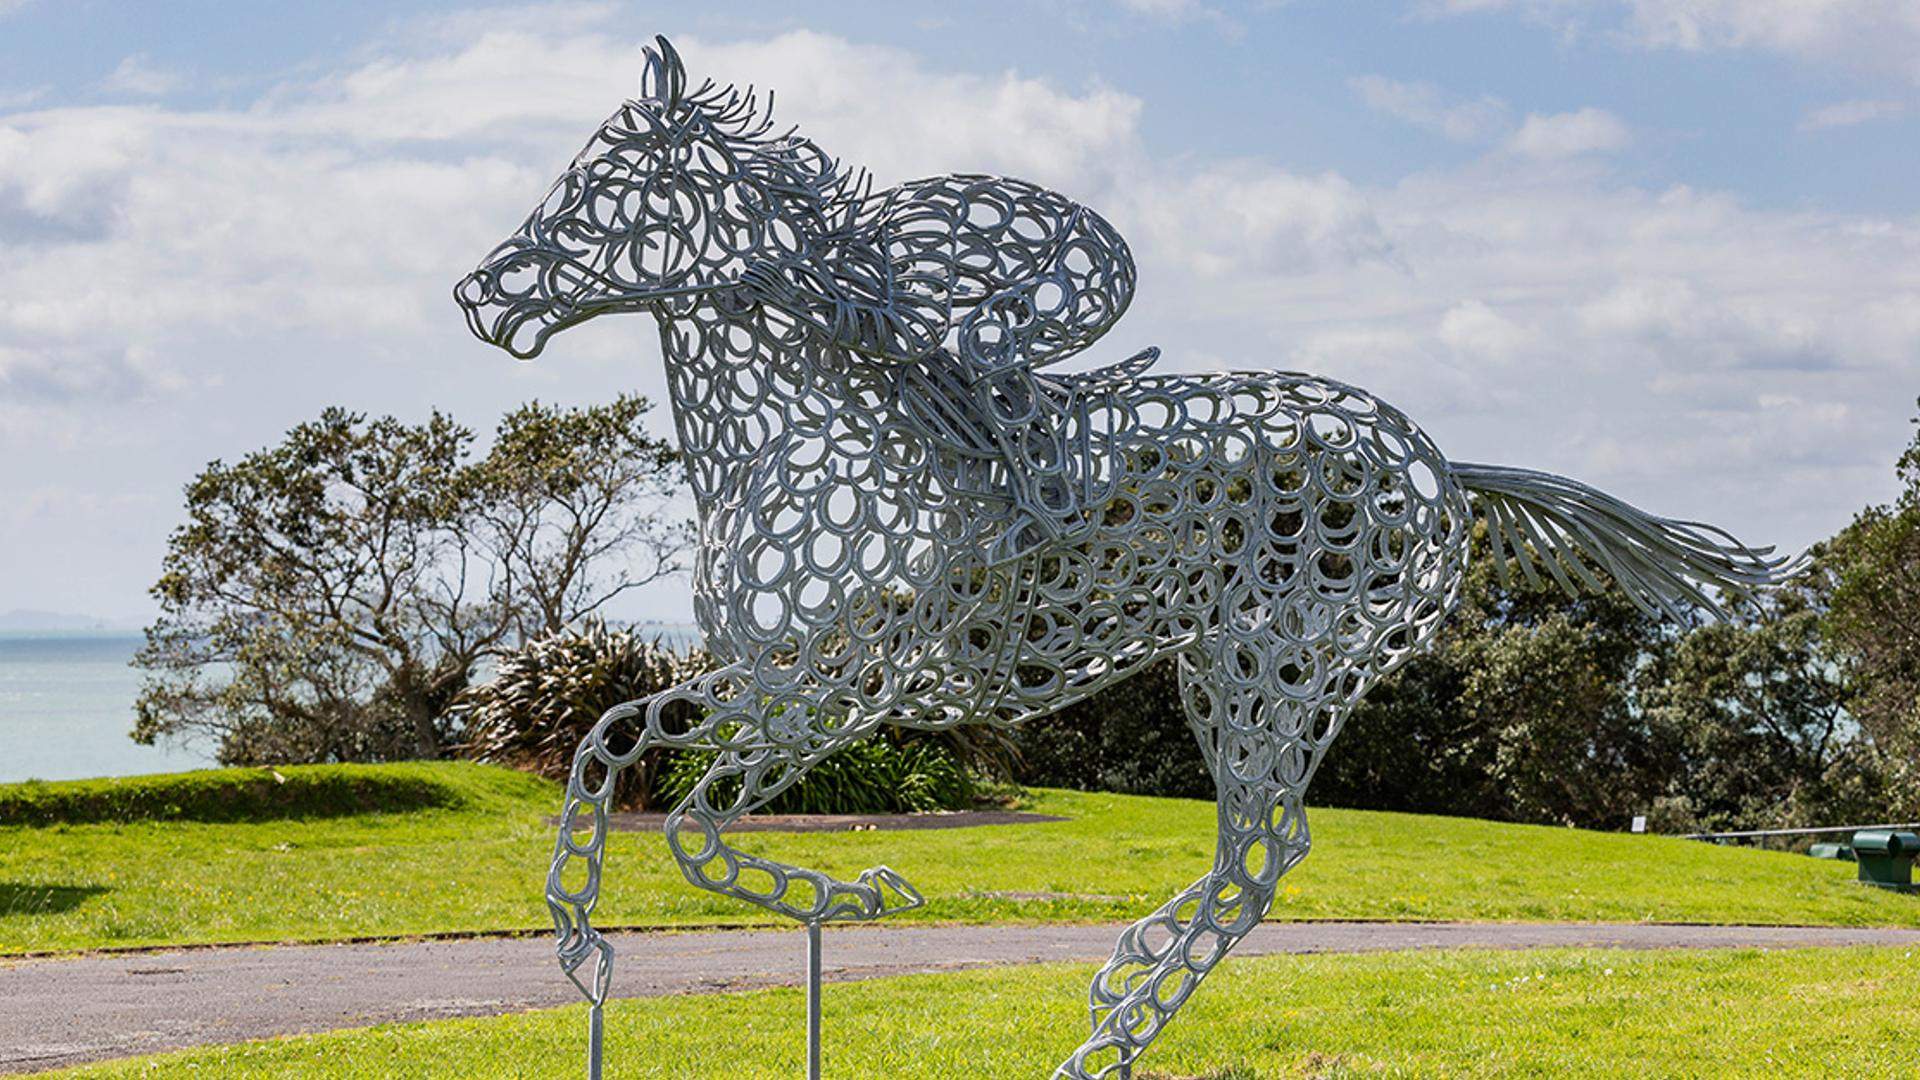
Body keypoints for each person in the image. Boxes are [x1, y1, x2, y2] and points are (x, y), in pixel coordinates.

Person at [730, 171, 1147, 561]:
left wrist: (797, 302)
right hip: (1048, 266)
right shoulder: (834, 261)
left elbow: (912, 337)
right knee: (945, 380)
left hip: (1079, 270)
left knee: (983, 347)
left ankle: (1056, 507)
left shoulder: (893, 237)